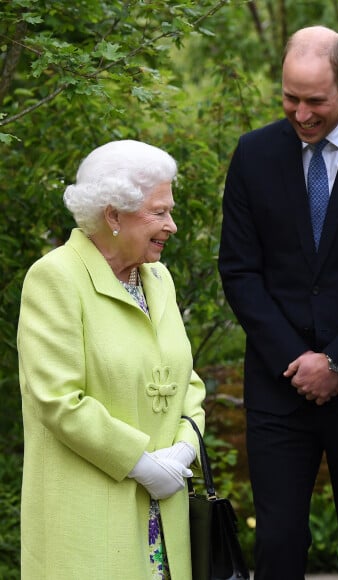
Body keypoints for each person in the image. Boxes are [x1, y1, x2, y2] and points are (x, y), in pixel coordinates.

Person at [218, 25, 338, 579]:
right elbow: (240, 270)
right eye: (289, 98)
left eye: (315, 100)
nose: (301, 113)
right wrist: (297, 362)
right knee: (276, 542)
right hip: (280, 384)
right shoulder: (254, 153)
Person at [18, 140, 206, 579]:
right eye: (159, 212)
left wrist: (181, 452)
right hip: (88, 516)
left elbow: (187, 380)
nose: (172, 225)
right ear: (113, 215)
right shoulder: (56, 278)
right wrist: (141, 464)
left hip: (165, 513)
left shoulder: (158, 278)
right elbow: (58, 399)